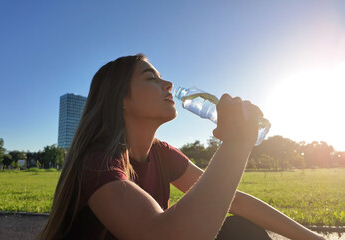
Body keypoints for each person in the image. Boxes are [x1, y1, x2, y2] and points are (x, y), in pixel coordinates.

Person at [37, 54, 325, 240]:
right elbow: (162, 236)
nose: (168, 84)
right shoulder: (98, 161)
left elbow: (233, 200)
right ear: (121, 99)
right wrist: (236, 142)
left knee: (239, 232)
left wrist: (313, 239)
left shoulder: (162, 154)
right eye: (151, 78)